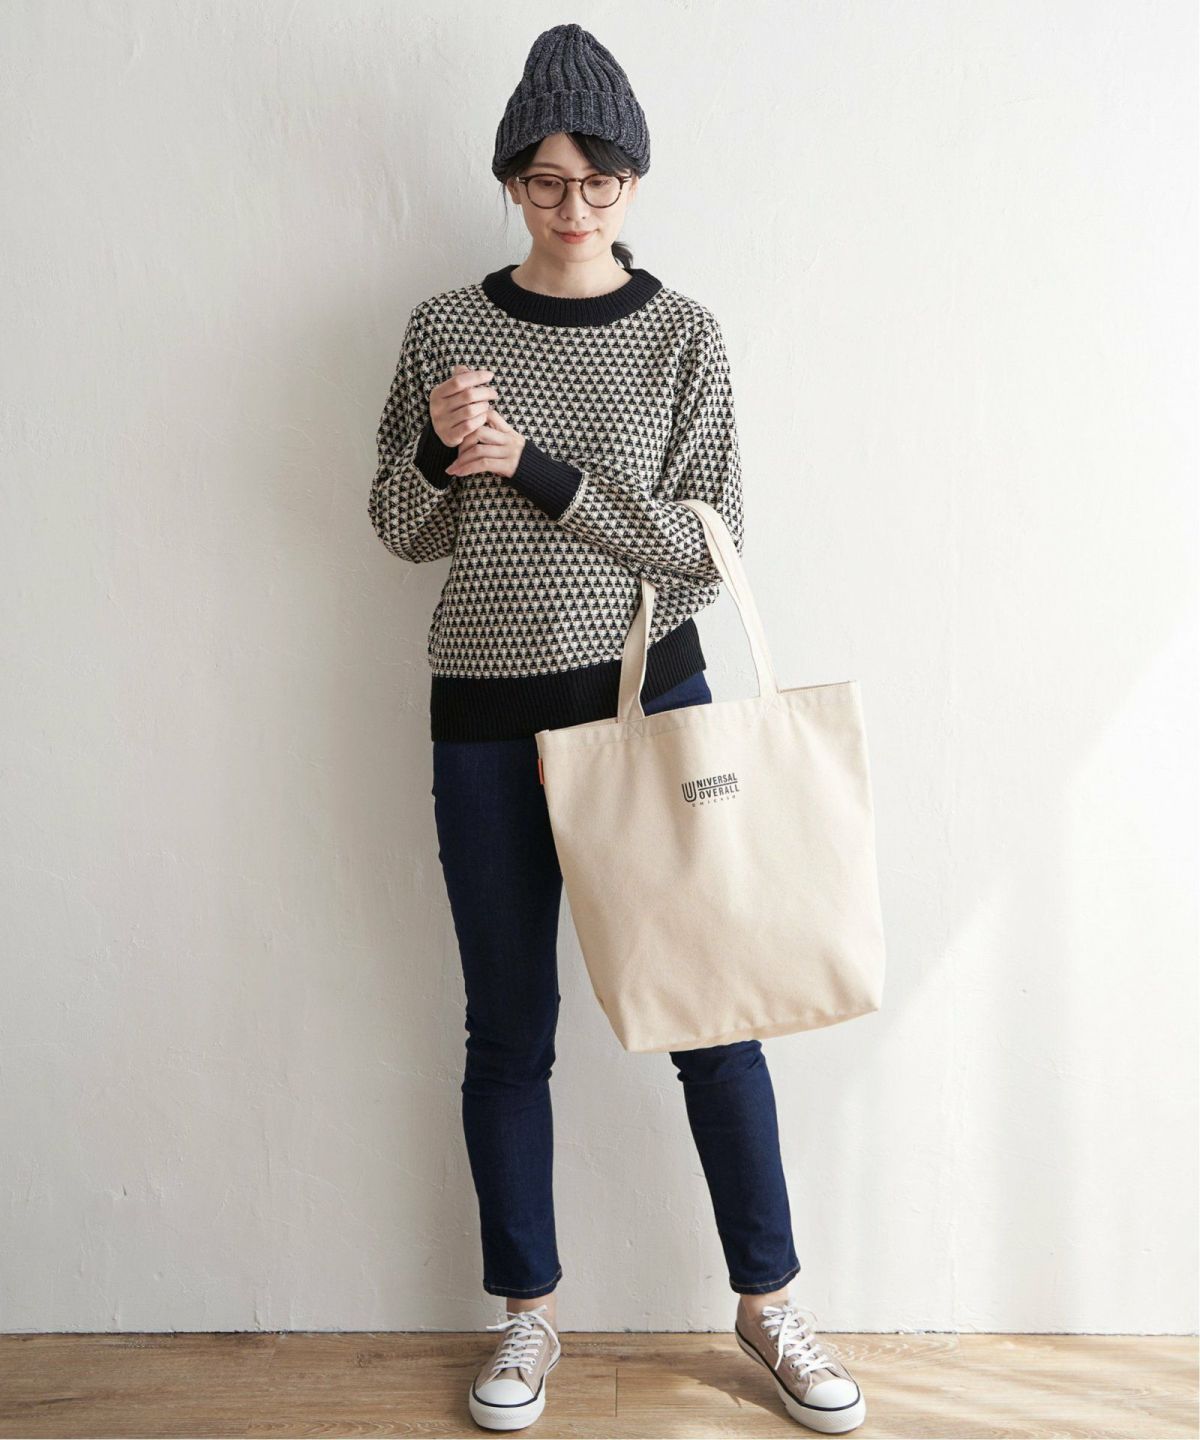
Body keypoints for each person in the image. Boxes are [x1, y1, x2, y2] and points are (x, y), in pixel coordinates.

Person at [367, 23, 866, 1436]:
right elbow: (398, 529)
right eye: (544, 182)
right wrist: (436, 451)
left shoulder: (683, 334)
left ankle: (769, 1304)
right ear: (509, 182)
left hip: (653, 709)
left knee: (716, 1012)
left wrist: (535, 467)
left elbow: (706, 552)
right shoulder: (444, 330)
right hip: (483, 717)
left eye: (598, 182)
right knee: (507, 1028)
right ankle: (527, 1316)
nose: (572, 207)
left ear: (633, 182)